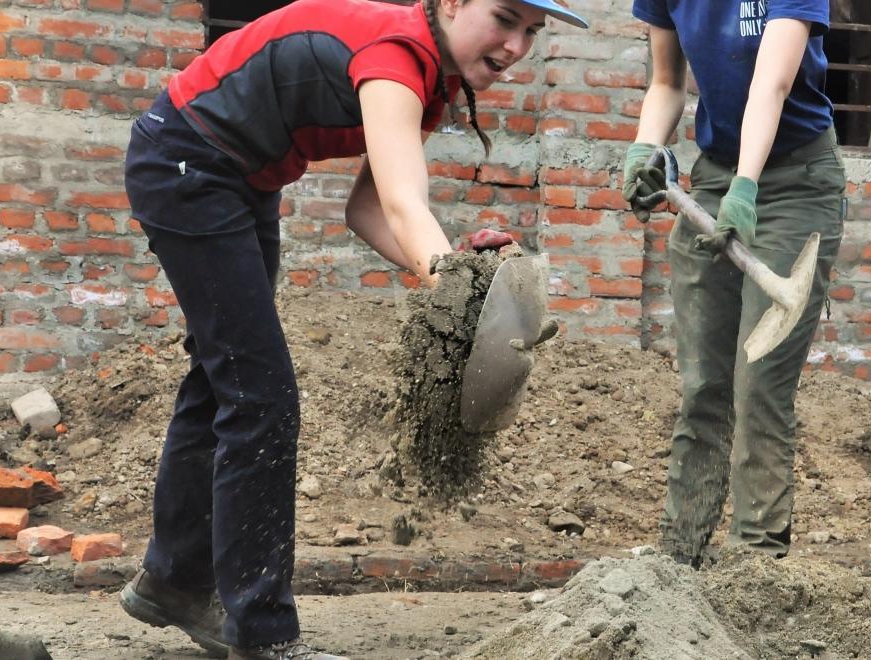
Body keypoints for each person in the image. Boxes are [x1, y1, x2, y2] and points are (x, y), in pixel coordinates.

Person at [117, 1, 586, 658]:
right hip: (189, 165)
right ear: (451, 2)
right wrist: (461, 289)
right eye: (504, 18)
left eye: (531, 33)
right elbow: (398, 202)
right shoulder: (397, 56)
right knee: (260, 394)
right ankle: (263, 635)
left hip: (237, 180)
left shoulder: (431, 80)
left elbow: (364, 210)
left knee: (226, 379)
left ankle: (174, 582)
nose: (515, 46)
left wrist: (456, 286)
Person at [618, 0, 844, 566]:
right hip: (715, 174)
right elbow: (667, 81)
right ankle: (677, 560)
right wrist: (646, 147)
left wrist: (747, 189)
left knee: (759, 382)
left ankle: (755, 566)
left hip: (795, 181)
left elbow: (774, 83)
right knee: (704, 387)